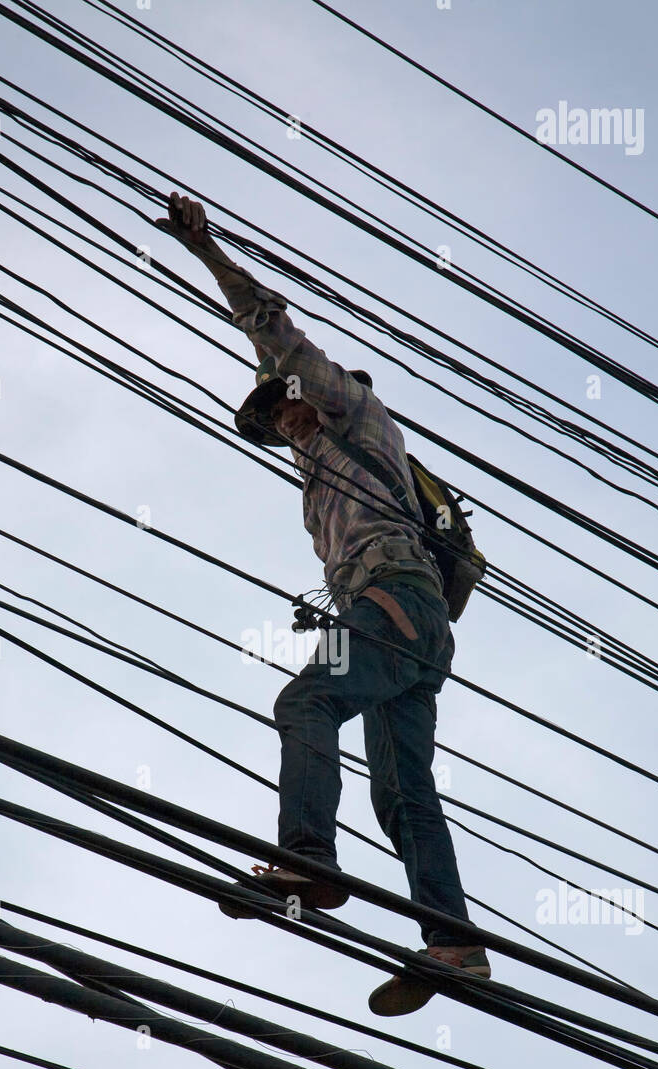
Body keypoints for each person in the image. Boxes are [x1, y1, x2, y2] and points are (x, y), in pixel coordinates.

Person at [156, 192, 489, 1014]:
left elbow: (272, 325)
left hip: (395, 600)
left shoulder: (356, 412)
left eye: (282, 405)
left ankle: (308, 860)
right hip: (407, 625)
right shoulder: (316, 477)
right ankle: (455, 942)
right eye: (274, 421)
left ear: (305, 391)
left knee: (305, 701)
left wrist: (208, 253)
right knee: (402, 793)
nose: (283, 423)